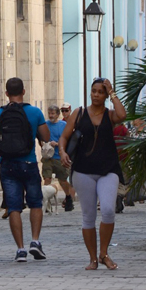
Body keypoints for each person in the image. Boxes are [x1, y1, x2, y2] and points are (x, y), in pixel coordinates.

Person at [59, 77, 126, 269]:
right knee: (88, 215)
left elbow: (122, 115)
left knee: (107, 210)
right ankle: (93, 258)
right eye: (94, 91)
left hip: (108, 169)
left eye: (100, 92)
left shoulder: (110, 114)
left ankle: (104, 253)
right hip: (83, 170)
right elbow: (64, 137)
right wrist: (62, 152)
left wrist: (113, 92)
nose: (96, 94)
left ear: (105, 95)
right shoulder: (79, 113)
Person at [0, 77, 50, 262]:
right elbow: (46, 136)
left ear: (6, 93)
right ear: (24, 92)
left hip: (7, 164)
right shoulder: (34, 112)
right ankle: (35, 241)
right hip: (29, 163)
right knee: (35, 203)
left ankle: (20, 249)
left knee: (14, 207)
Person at [41, 103, 75, 211]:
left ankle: (68, 197)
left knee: (62, 180)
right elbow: (40, 138)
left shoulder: (63, 125)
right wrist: (43, 144)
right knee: (47, 178)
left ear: (57, 114)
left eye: (53, 113)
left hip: (59, 156)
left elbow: (68, 139)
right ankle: (47, 202)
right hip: (48, 157)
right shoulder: (45, 125)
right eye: (49, 113)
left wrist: (57, 144)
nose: (51, 115)